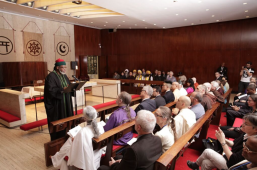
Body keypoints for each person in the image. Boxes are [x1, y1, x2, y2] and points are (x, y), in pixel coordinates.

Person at [187, 113, 257, 170]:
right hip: (228, 158)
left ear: (255, 129)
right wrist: (223, 138)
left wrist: (222, 142)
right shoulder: (246, 134)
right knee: (205, 163)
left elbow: (233, 159)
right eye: (243, 122)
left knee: (207, 151)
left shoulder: (252, 144)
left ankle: (195, 165)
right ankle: (196, 165)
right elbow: (234, 144)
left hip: (232, 165)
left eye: (246, 124)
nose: (242, 125)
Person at [98, 110, 162, 170]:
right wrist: (123, 162)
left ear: (138, 127)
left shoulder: (134, 150)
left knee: (102, 168)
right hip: (144, 165)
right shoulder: (158, 140)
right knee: (118, 157)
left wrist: (113, 164)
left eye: (135, 121)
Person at [51, 106, 105, 170]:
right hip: (97, 151)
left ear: (85, 118)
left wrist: (74, 139)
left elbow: (77, 149)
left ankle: (57, 158)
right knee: (68, 144)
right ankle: (57, 157)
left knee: (67, 146)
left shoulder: (83, 131)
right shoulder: (99, 126)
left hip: (87, 156)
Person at [44, 58, 74, 141]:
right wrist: (62, 89)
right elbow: (50, 90)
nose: (64, 69)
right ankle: (58, 139)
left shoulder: (64, 75)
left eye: (65, 67)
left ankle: (68, 136)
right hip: (57, 104)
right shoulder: (51, 77)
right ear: (57, 67)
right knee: (59, 121)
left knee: (68, 119)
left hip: (66, 103)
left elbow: (68, 85)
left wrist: (73, 88)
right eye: (62, 67)